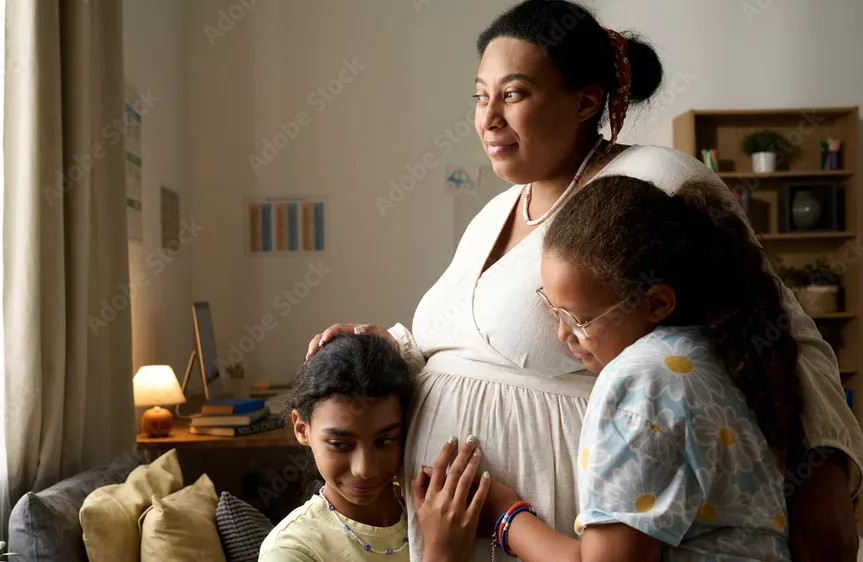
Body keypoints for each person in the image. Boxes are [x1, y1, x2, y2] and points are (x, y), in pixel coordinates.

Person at [306, 1, 863, 560]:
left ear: (585, 100)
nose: (488, 117)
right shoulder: (493, 214)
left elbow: (780, 331)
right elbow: (466, 343)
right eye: (480, 95)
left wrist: (822, 499)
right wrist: (395, 349)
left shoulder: (653, 180)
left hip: (569, 531)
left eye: (514, 93)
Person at [465, 174, 801, 560]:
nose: (562, 334)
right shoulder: (721, 354)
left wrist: (507, 517)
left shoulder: (641, 381)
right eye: (553, 309)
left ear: (656, 303)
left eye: (580, 319)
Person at [259, 334, 415, 561]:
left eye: (386, 440)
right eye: (340, 444)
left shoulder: (430, 512)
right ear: (302, 429)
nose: (364, 469)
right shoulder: (291, 551)